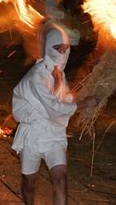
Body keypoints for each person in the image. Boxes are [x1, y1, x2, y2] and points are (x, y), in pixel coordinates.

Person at [12, 28, 77, 205]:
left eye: (65, 49)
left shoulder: (60, 75)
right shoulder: (36, 76)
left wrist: (79, 97)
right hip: (32, 135)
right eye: (58, 48)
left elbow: (64, 98)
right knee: (29, 183)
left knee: (60, 179)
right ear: (48, 47)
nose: (62, 53)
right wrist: (81, 104)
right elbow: (53, 107)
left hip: (53, 134)